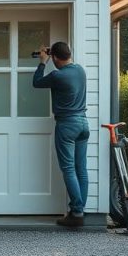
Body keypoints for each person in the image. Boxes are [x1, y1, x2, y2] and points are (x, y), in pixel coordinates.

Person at [32, 41, 89, 228]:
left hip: (67, 125)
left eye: (52, 58)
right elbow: (64, 63)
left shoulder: (57, 76)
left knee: (69, 169)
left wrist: (42, 61)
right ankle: (79, 211)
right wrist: (51, 55)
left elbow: (36, 82)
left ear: (55, 58)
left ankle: (77, 212)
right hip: (83, 123)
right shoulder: (80, 70)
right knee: (81, 169)